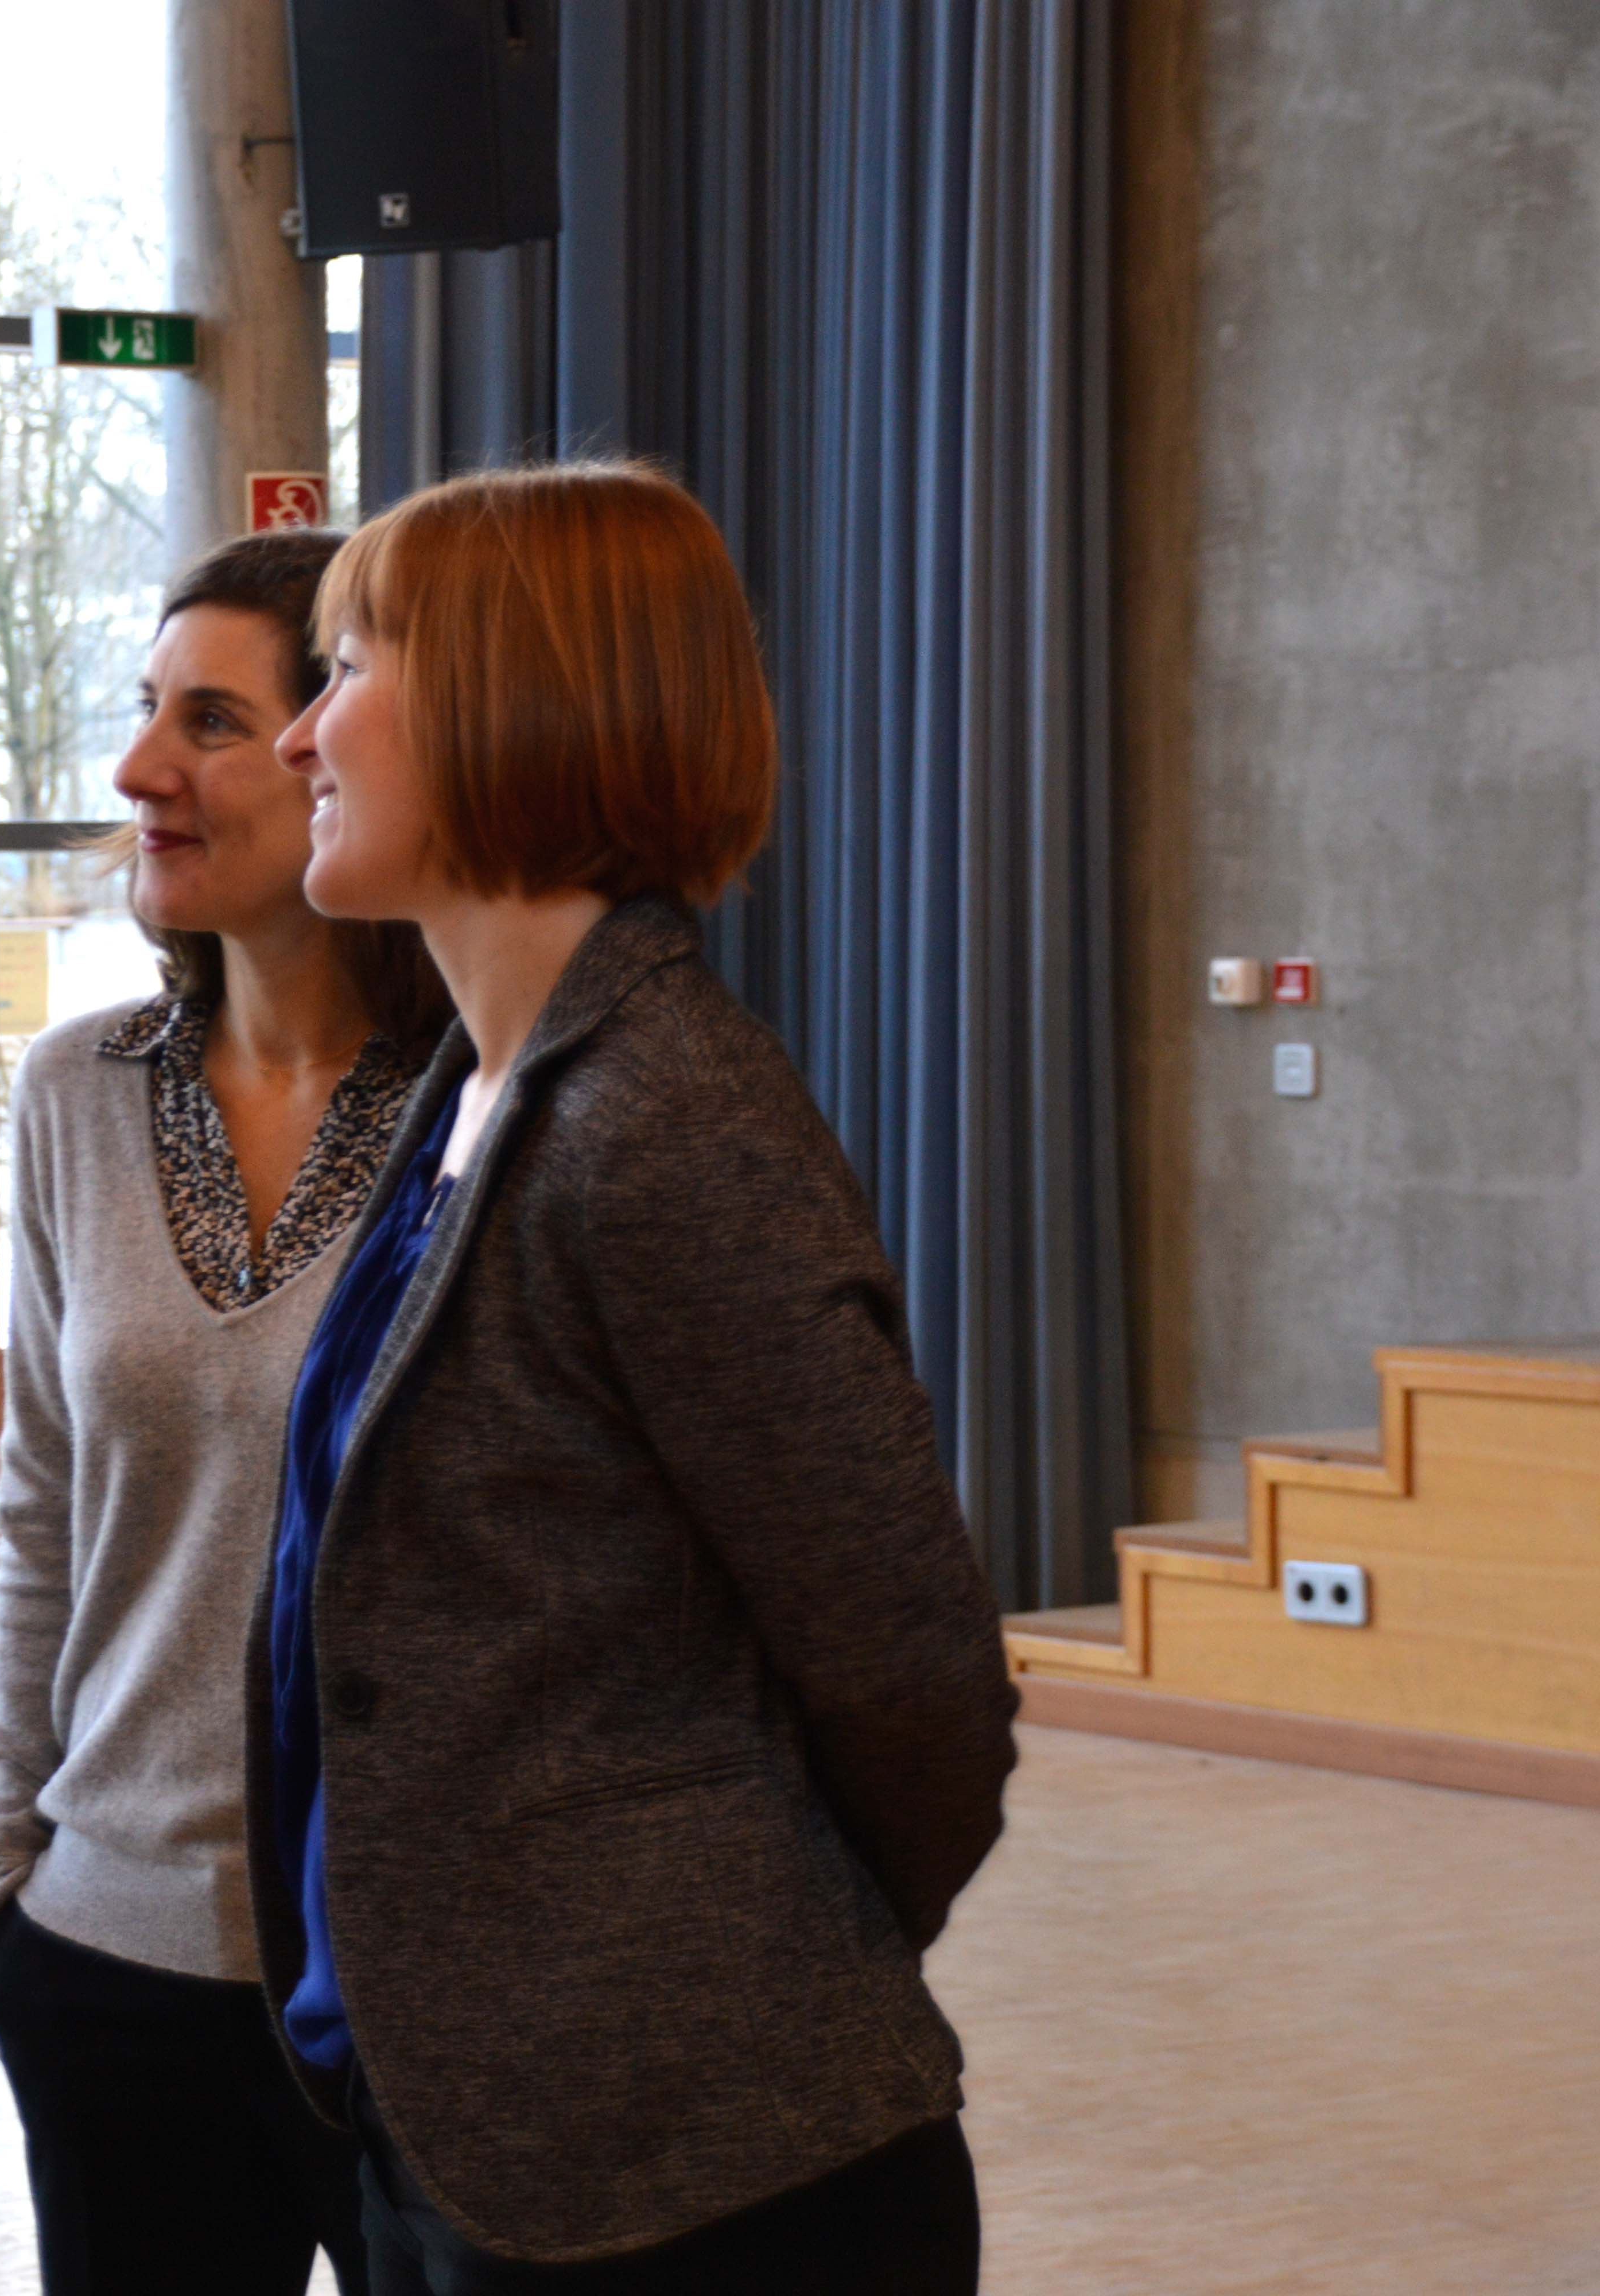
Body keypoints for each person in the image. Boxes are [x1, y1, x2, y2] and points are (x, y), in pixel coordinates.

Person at [255, 461, 1020, 2294]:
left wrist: (730, 1945)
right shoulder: (480, 1096)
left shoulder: (664, 1120)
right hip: (467, 2128)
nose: (299, 736)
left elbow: (915, 1677)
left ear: (512, 703)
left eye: (349, 669)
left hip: (699, 2173)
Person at [0, 528, 452, 2296]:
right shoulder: (74, 1093)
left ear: (340, 745)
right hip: (109, 1960)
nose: (137, 770)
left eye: (212, 722)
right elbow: (44, 1509)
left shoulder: (485, 1110)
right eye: (144, 710)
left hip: (409, 1984)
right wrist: (8, 1876)